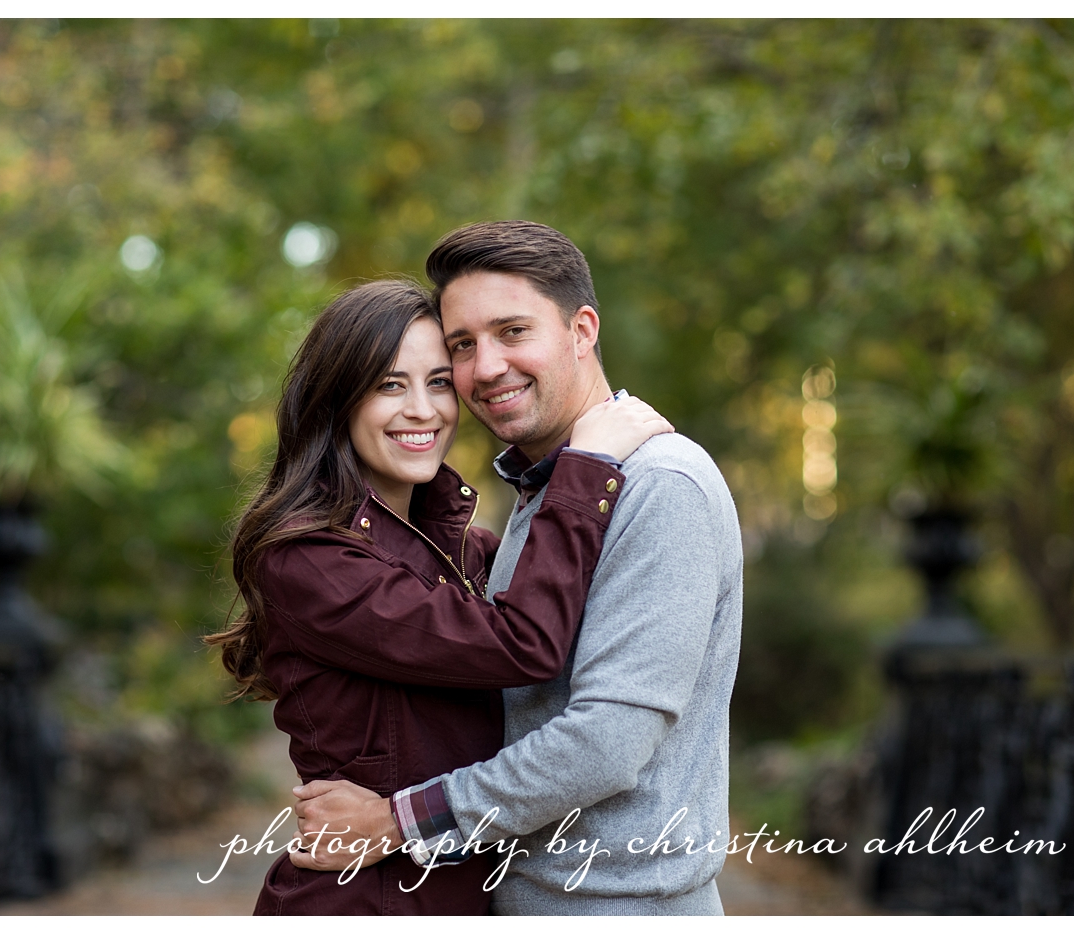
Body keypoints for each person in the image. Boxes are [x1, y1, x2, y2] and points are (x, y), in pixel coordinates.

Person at [288, 222, 745, 915]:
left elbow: (607, 743)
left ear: (583, 330)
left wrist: (399, 821)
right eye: (463, 347)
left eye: (512, 331)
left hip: (617, 907)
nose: (487, 368)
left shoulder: (658, 483)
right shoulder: (548, 491)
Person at [208, 279, 671, 913]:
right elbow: (522, 644)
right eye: (390, 385)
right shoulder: (310, 559)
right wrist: (585, 470)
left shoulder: (463, 549)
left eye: (439, 383)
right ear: (338, 400)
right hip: (365, 904)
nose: (423, 410)